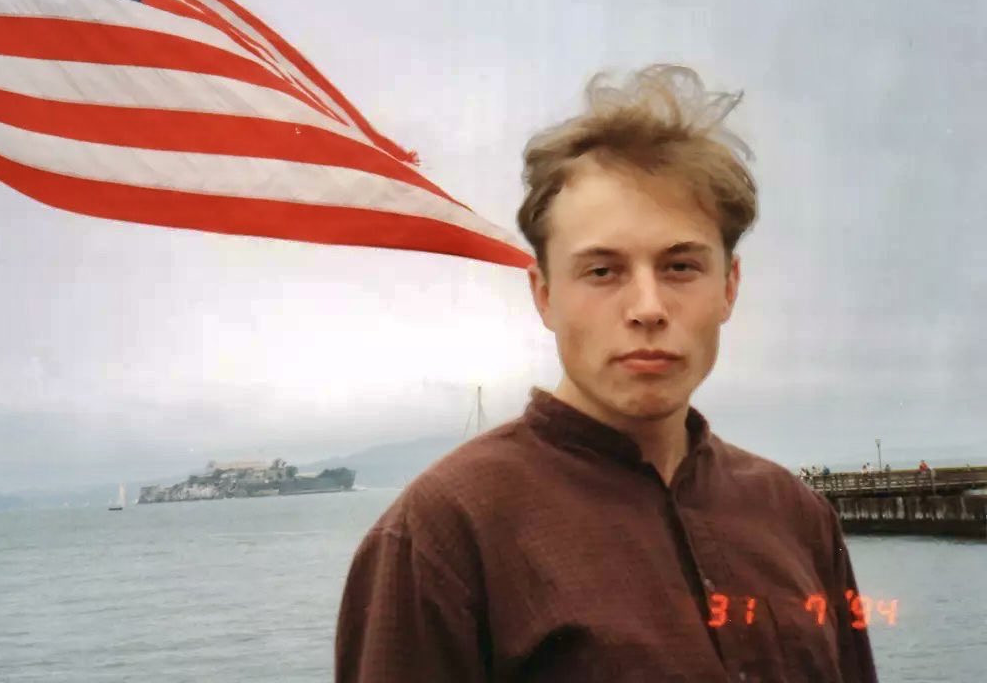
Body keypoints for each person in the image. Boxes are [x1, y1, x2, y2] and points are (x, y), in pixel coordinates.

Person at [335, 65, 877, 681]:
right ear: (544, 295)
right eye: (602, 271)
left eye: (680, 267)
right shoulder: (443, 537)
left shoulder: (797, 517)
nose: (647, 307)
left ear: (729, 287)